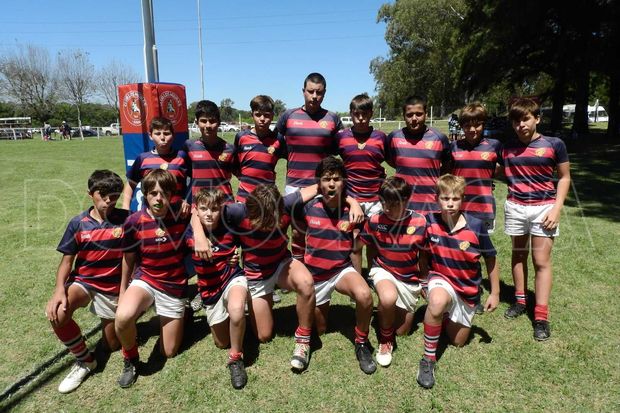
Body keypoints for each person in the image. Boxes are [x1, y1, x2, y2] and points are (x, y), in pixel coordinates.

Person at [191, 183, 322, 372]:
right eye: (260, 220)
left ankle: (303, 340)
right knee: (263, 335)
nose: (266, 226)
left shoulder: (286, 204)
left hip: (281, 264)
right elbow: (200, 209)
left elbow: (319, 187)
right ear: (249, 210)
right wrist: (199, 235)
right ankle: (247, 306)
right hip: (256, 274)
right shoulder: (237, 211)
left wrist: (352, 201)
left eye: (271, 220)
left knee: (306, 282)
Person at [45, 170, 127, 393]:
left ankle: (116, 325)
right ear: (90, 194)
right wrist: (59, 291)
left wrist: (124, 292)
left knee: (112, 345)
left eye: (114, 196)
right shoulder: (78, 223)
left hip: (112, 288)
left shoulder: (125, 219)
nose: (109, 201)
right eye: (104, 195)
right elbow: (66, 262)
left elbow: (134, 258)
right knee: (58, 313)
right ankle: (85, 360)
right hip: (85, 282)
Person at [416, 174, 500, 389]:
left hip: (467, 289)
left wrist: (495, 293)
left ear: (463, 199)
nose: (450, 203)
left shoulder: (476, 226)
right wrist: (425, 281)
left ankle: (443, 316)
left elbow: (490, 258)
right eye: (445, 199)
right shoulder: (429, 221)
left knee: (457, 342)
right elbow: (423, 254)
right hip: (441, 279)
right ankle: (428, 360)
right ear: (437, 199)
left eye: (455, 199)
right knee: (436, 302)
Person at [499, 97, 571, 341]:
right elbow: (496, 169)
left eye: (526, 118)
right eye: (516, 120)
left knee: (541, 259)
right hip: (516, 207)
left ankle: (540, 315)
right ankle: (520, 300)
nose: (521, 124)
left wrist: (556, 209)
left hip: (544, 209)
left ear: (537, 118)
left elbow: (564, 177)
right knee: (518, 254)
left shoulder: (554, 144)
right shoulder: (506, 148)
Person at [300, 156, 376, 375]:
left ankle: (361, 343)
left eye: (336, 179)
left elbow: (361, 244)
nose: (332, 183)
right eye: (326, 179)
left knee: (364, 295)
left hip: (341, 269)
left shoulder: (354, 211)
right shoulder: (308, 207)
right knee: (320, 330)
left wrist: (353, 202)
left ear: (344, 182)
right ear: (319, 183)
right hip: (316, 274)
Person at [115, 169, 190, 388]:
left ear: (172, 195)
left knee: (169, 351)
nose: (159, 198)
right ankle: (131, 359)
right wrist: (122, 292)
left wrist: (191, 209)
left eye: (164, 193)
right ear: (145, 195)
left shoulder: (181, 214)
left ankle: (184, 313)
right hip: (146, 279)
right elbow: (128, 259)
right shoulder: (134, 221)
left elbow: (201, 214)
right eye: (153, 193)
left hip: (174, 284)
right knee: (123, 316)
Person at [358, 176, 427, 367]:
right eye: (383, 203)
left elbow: (423, 255)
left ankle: (389, 319)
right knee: (388, 298)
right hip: (384, 270)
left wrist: (424, 280)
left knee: (403, 331)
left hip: (408, 279)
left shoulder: (420, 222)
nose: (386, 208)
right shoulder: (374, 220)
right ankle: (385, 340)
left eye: (392, 204)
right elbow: (362, 245)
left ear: (406, 200)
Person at [186, 188, 248, 389]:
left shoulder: (230, 228)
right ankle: (234, 320)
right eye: (203, 209)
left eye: (214, 209)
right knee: (221, 342)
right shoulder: (190, 233)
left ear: (221, 209)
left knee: (237, 310)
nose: (208, 213)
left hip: (232, 278)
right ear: (197, 210)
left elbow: (248, 243)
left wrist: (236, 255)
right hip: (209, 290)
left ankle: (236, 358)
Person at [276, 72, 342, 261]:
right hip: (294, 184)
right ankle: (297, 265)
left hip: (321, 185)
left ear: (325, 93)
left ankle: (319, 267)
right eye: (310, 91)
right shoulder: (288, 116)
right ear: (303, 91)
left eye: (319, 92)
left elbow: (340, 149)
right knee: (296, 231)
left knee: (320, 228)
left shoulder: (332, 119)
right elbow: (276, 146)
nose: (314, 96)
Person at [335, 93, 387, 273]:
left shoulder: (381, 137)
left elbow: (390, 160)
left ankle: (373, 274)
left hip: (375, 198)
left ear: (371, 113)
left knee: (373, 239)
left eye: (364, 114)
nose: (361, 118)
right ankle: (358, 277)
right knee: (355, 238)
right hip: (353, 197)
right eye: (357, 114)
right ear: (351, 113)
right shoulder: (341, 137)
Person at [385, 95, 451, 214]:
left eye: (419, 114)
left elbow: (447, 165)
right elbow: (390, 160)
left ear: (426, 114)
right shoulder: (394, 137)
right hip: (402, 204)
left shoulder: (439, 138)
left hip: (431, 206)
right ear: (403, 116)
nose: (414, 118)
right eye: (409, 115)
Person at [122, 117, 190, 217]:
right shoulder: (142, 159)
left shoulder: (182, 157)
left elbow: (194, 181)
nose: (162, 137)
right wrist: (125, 207)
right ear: (150, 136)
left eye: (166, 133)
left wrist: (187, 200)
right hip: (150, 214)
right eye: (157, 134)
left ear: (173, 135)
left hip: (177, 214)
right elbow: (131, 183)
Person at [451, 103, 502, 234]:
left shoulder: (495, 146)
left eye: (477, 125)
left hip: (483, 206)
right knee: (457, 247)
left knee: (481, 248)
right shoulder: (453, 147)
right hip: (457, 206)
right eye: (467, 126)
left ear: (483, 124)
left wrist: (485, 181)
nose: (472, 129)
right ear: (461, 126)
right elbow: (446, 173)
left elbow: (499, 171)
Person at [233, 95, 286, 203]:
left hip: (268, 199)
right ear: (252, 115)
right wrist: (246, 180)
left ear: (272, 116)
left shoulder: (278, 139)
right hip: (244, 197)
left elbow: (291, 160)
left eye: (266, 115)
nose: (262, 119)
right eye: (258, 115)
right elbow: (234, 165)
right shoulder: (241, 137)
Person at [183, 100, 235, 203]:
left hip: (224, 204)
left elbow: (242, 175)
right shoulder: (189, 146)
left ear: (219, 122)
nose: (208, 125)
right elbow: (186, 176)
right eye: (203, 121)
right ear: (197, 121)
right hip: (199, 206)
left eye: (212, 121)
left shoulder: (230, 149)